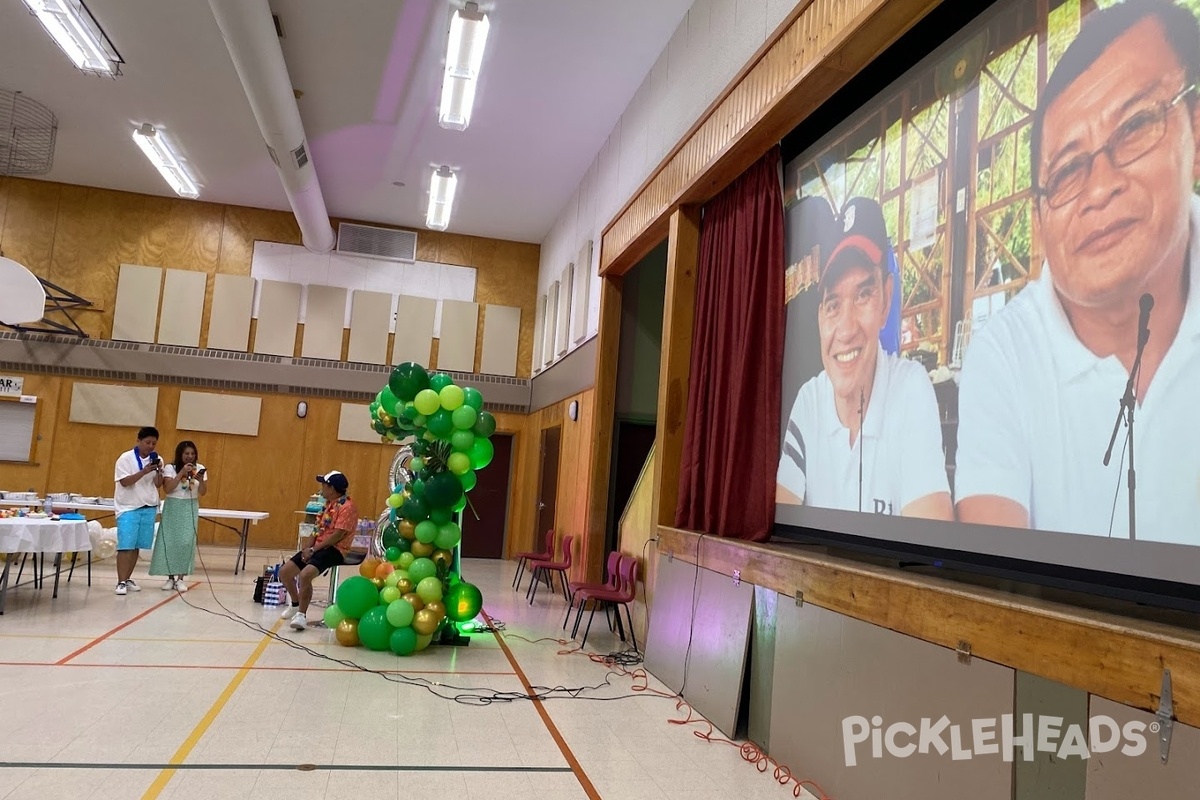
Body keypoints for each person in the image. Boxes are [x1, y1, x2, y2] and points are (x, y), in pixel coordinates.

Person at [955, 0, 1200, 543]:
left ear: (1195, 132)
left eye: (1136, 126)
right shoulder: (1004, 355)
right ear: (1041, 217)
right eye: (1067, 171)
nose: (1099, 187)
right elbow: (998, 585)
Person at [776, 197, 953, 519]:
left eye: (863, 295)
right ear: (819, 317)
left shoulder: (909, 389)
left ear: (886, 299)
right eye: (832, 304)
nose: (845, 329)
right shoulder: (809, 401)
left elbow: (930, 536)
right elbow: (778, 520)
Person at [279, 471, 359, 630]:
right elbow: (316, 530)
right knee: (285, 572)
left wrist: (314, 550)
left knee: (305, 575)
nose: (321, 488)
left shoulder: (347, 507)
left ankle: (301, 615)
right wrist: (307, 548)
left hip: (335, 549)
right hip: (317, 548)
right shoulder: (327, 505)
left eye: (324, 485)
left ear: (333, 488)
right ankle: (295, 604)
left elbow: (337, 535)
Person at [149, 441, 207, 592]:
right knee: (170, 541)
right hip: (173, 506)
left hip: (190, 506)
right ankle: (170, 578)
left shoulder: (199, 468)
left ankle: (181, 578)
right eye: (186, 453)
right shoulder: (170, 468)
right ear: (180, 454)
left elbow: (203, 492)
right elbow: (167, 489)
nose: (189, 457)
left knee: (186, 542)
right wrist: (181, 472)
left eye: (192, 454)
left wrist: (200, 481)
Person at [113, 426, 164, 595]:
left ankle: (127, 578)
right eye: (147, 442)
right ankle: (120, 581)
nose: (150, 446)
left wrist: (158, 471)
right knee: (125, 545)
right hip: (128, 507)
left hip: (148, 506)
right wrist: (144, 471)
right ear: (139, 441)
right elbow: (125, 482)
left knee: (136, 546)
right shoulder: (125, 458)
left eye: (154, 443)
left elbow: (157, 484)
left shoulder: (157, 459)